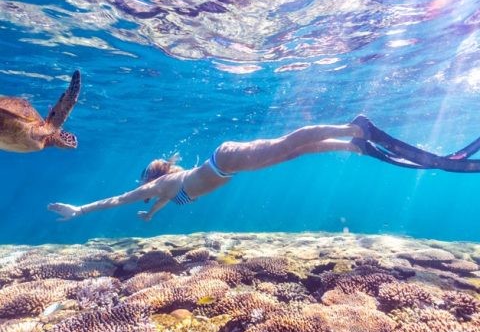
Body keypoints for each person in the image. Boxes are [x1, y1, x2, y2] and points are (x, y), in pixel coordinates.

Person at [48, 115, 480, 222]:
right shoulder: (159, 195)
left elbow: (116, 200)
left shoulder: (154, 186)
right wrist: (150, 216)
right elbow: (158, 202)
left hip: (226, 159)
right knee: (295, 153)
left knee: (287, 144)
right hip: (229, 165)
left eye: (143, 190)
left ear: (149, 178)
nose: (140, 194)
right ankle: (353, 146)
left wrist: (81, 211)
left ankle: (354, 127)